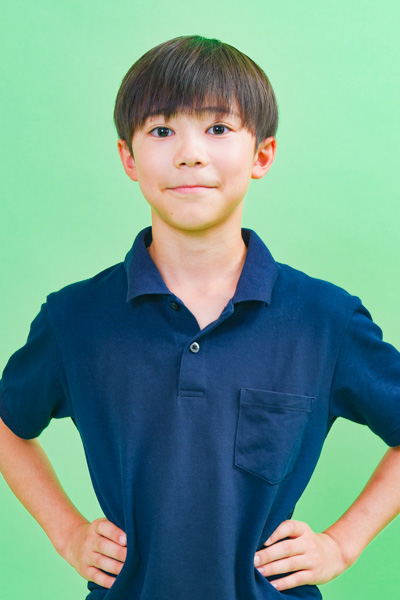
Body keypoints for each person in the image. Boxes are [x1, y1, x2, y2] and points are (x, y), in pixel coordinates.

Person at [0, 34, 399, 600]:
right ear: (128, 157)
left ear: (262, 154)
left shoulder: (324, 319)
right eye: (162, 131)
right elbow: (8, 425)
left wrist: (342, 543)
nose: (190, 153)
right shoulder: (75, 318)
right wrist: (67, 533)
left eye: (218, 128)